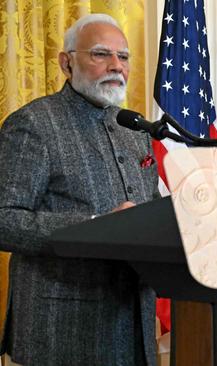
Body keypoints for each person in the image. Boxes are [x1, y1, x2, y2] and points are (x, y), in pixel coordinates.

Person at [0, 14, 159, 365]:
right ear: (66, 62)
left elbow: (152, 214)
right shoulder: (33, 125)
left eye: (124, 57)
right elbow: (5, 220)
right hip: (62, 330)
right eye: (101, 54)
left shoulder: (136, 131)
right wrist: (97, 226)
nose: (116, 66)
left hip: (135, 325)